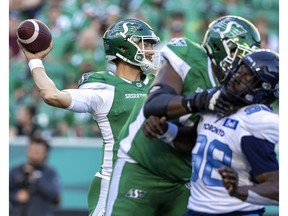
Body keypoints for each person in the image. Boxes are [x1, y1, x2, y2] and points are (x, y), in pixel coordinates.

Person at [105, 15, 261, 215]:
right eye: (235, 51)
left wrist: (167, 131)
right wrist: (202, 100)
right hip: (140, 165)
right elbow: (155, 104)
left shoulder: (239, 91)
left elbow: (197, 139)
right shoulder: (190, 56)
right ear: (219, 46)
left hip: (186, 180)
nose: (240, 62)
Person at [17, 17, 161, 216]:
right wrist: (34, 60)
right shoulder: (105, 88)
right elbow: (52, 95)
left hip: (159, 182)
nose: (151, 51)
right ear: (125, 47)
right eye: (144, 44)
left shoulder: (158, 83)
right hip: (117, 184)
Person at [183, 49, 279, 215]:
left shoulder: (256, 120)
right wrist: (165, 131)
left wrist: (239, 191)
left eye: (248, 76)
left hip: (236, 211)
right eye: (239, 69)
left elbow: (279, 188)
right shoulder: (215, 103)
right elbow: (193, 142)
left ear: (264, 89)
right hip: (197, 209)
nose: (236, 76)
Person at [9, 135, 61, 216]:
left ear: (45, 153)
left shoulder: (50, 173)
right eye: (32, 150)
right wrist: (16, 196)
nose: (35, 153)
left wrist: (36, 178)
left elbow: (55, 195)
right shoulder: (16, 170)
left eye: (38, 151)